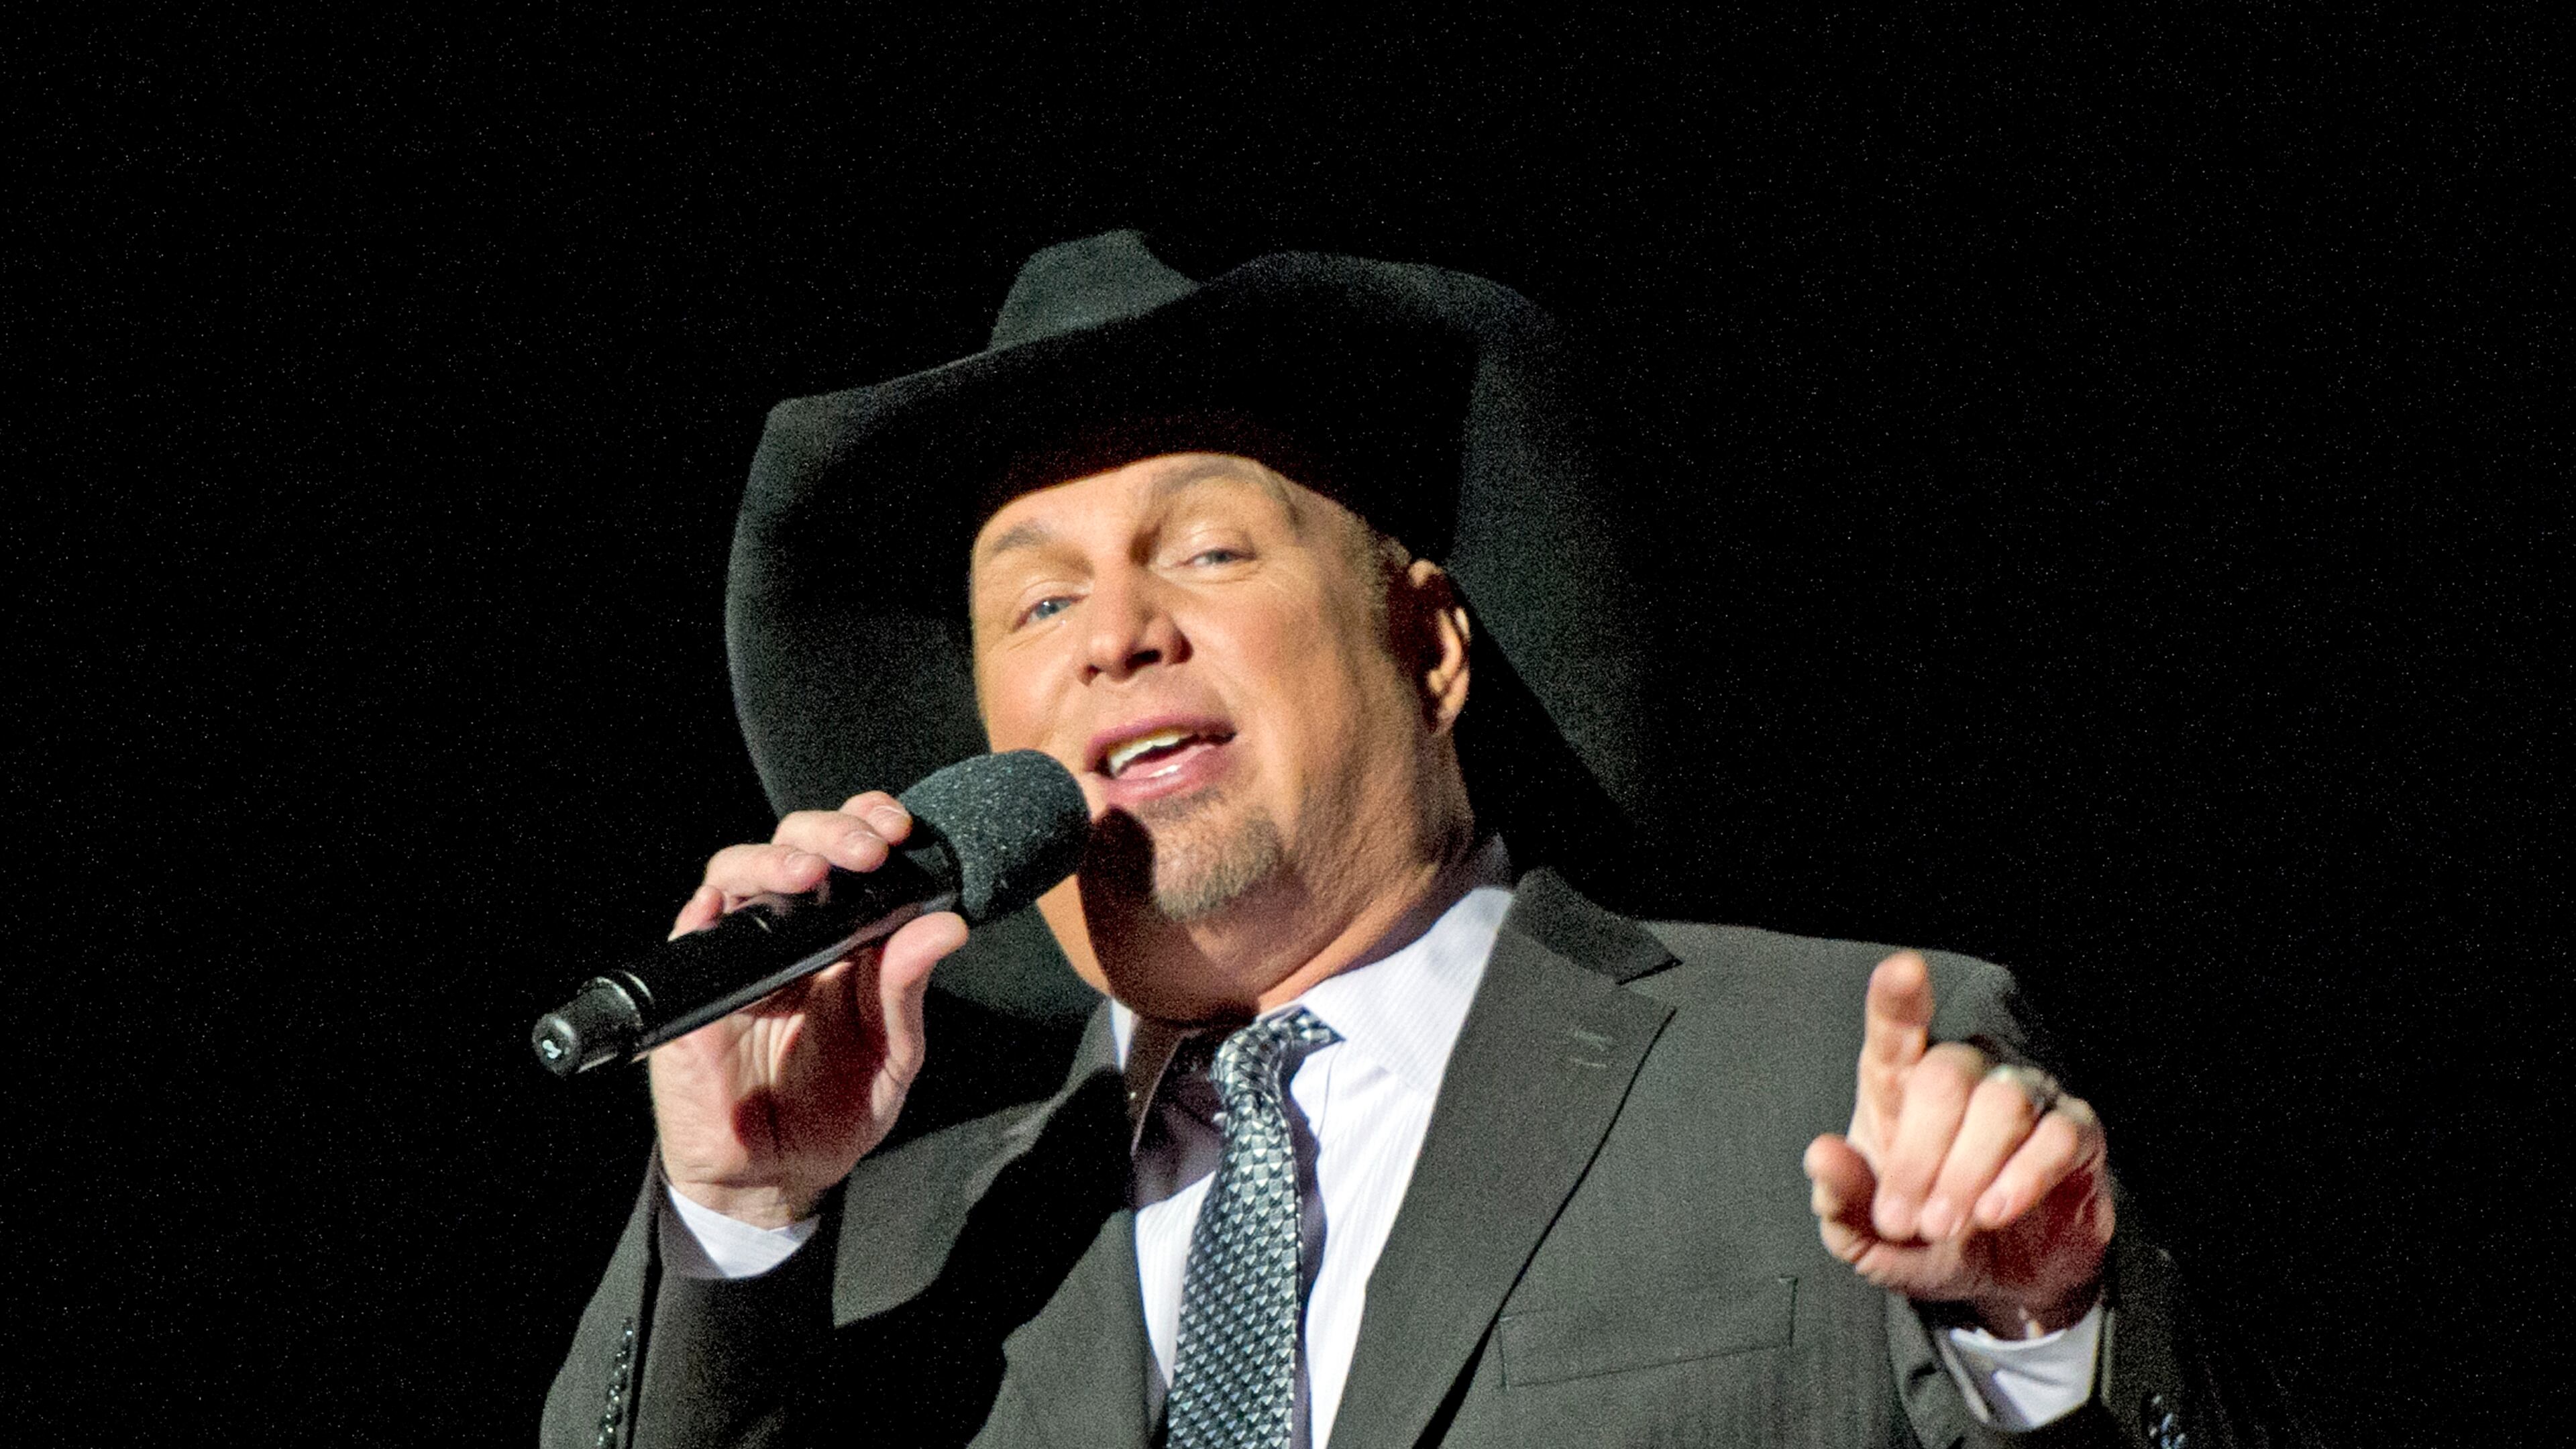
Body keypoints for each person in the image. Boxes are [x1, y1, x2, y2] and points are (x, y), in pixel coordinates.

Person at [543, 232, 2304, 1448]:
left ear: (1432, 643)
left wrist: (2044, 1337)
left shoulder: (1832, 1077)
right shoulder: (893, 1255)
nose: (1116, 634)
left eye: (1207, 553)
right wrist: (738, 1216)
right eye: (1039, 605)